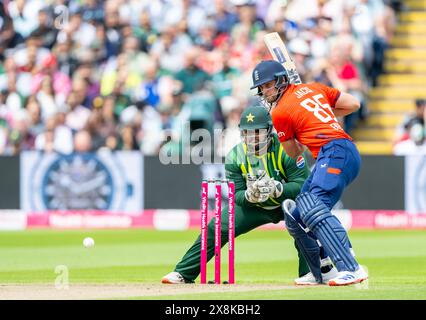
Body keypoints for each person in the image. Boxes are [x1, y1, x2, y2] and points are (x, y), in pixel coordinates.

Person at [162, 106, 338, 284]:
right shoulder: (235, 156)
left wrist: (278, 188)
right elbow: (236, 195)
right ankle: (183, 273)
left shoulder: (287, 149)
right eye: (246, 132)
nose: (251, 137)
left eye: (257, 132)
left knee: (306, 226)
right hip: (256, 206)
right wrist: (248, 196)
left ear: (269, 131)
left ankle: (313, 275)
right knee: (216, 227)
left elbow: (303, 185)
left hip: (288, 204)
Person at [250, 60, 368, 286]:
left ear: (282, 80)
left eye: (268, 85)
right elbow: (353, 104)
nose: (265, 91)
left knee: (313, 205)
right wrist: (313, 113)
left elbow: (296, 152)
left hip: (334, 150)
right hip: (341, 152)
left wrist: (294, 125)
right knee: (296, 213)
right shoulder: (315, 88)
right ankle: (322, 271)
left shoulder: (281, 112)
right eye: (261, 88)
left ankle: (351, 266)